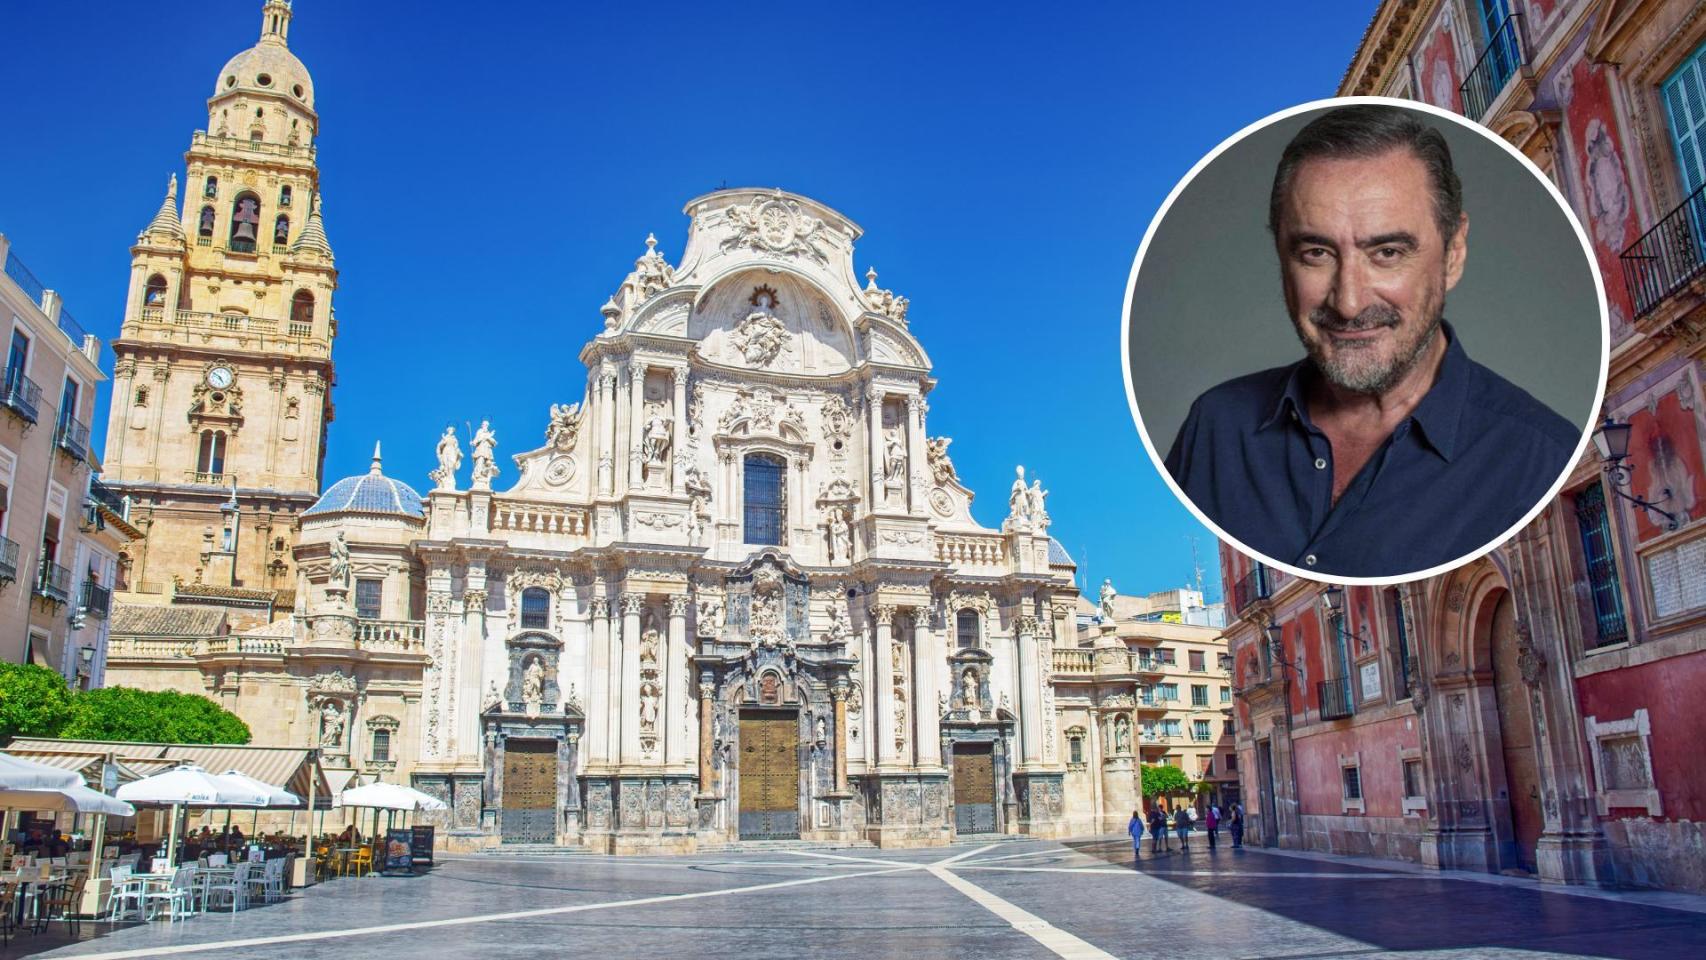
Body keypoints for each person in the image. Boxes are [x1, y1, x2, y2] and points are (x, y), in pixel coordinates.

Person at [1164, 104, 1579, 578]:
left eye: (1387, 252)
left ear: (1453, 254)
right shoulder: (1217, 429)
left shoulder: (1542, 457)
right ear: (1281, 259)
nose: (1349, 302)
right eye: (1316, 253)